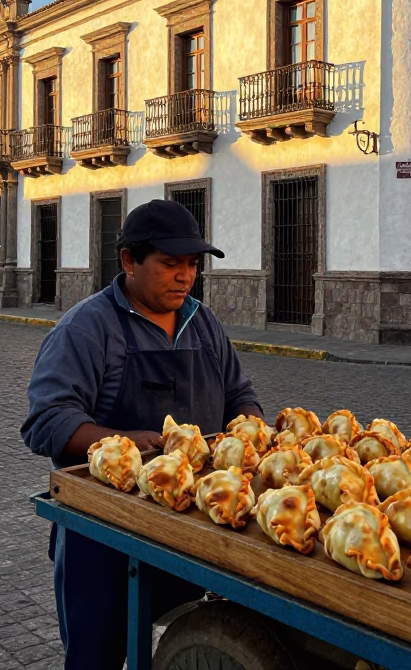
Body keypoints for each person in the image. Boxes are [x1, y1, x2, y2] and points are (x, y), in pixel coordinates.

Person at [21, 200, 262, 670]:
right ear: (128, 261)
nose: (185, 277)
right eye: (170, 264)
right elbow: (46, 421)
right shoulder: (89, 328)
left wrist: (249, 429)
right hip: (104, 533)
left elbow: (240, 394)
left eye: (192, 265)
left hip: (193, 526)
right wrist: (128, 443)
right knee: (97, 655)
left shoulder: (203, 323)